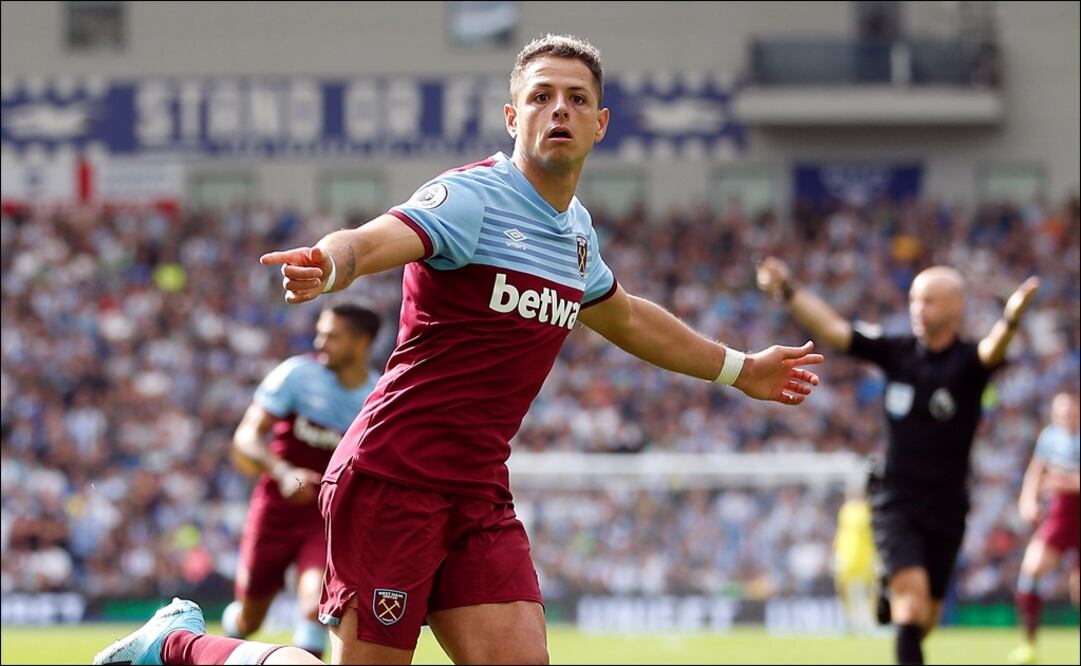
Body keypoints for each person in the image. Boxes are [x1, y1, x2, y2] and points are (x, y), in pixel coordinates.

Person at [95, 34, 823, 666]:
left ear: (600, 125)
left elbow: (627, 318)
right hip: (391, 477)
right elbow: (379, 237)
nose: (558, 109)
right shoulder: (474, 198)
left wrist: (738, 369)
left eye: (575, 99)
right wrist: (332, 260)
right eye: (540, 97)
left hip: (476, 491)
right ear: (513, 116)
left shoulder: (575, 235)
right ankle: (177, 646)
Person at [756, 256, 1039, 665]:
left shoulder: (967, 362)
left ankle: (891, 590)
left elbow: (993, 349)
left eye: (929, 302)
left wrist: (1010, 320)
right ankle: (896, 589)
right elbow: (835, 332)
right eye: (914, 301)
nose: (917, 310)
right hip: (895, 499)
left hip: (947, 505)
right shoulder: (897, 351)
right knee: (911, 604)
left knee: (924, 618)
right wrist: (787, 291)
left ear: (955, 307)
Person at [222, 300, 382, 659]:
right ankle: (229, 640)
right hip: (275, 510)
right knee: (249, 619)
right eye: (320, 334)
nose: (320, 344)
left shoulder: (376, 399)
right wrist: (283, 473)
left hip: (325, 519)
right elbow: (245, 438)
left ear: (362, 344)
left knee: (315, 607)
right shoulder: (295, 376)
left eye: (332, 337)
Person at [1007, 390, 1080, 665]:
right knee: (1030, 571)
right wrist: (1028, 499)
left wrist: (1066, 482)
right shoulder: (1050, 437)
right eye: (1061, 411)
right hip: (1060, 516)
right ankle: (1029, 645)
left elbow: (1058, 479)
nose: (1066, 415)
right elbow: (1036, 471)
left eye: (1072, 409)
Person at [833, 491, 878, 633]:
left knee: (871, 588)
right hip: (846, 555)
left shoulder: (869, 509)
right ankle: (849, 618)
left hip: (865, 557)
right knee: (842, 587)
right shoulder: (846, 509)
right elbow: (841, 532)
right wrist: (836, 549)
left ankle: (871, 619)